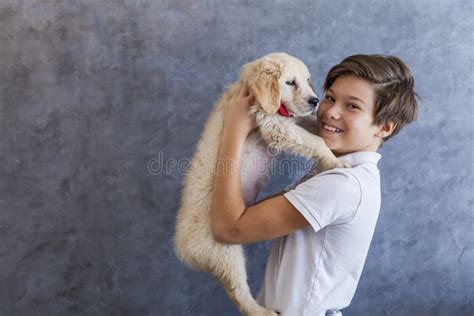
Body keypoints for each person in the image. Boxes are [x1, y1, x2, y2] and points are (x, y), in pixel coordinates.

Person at [210, 54, 419, 315]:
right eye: (330, 98)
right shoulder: (341, 174)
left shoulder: (343, 186)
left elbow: (228, 229)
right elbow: (248, 218)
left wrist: (235, 129)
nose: (330, 111)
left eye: (352, 106)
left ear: (385, 127)